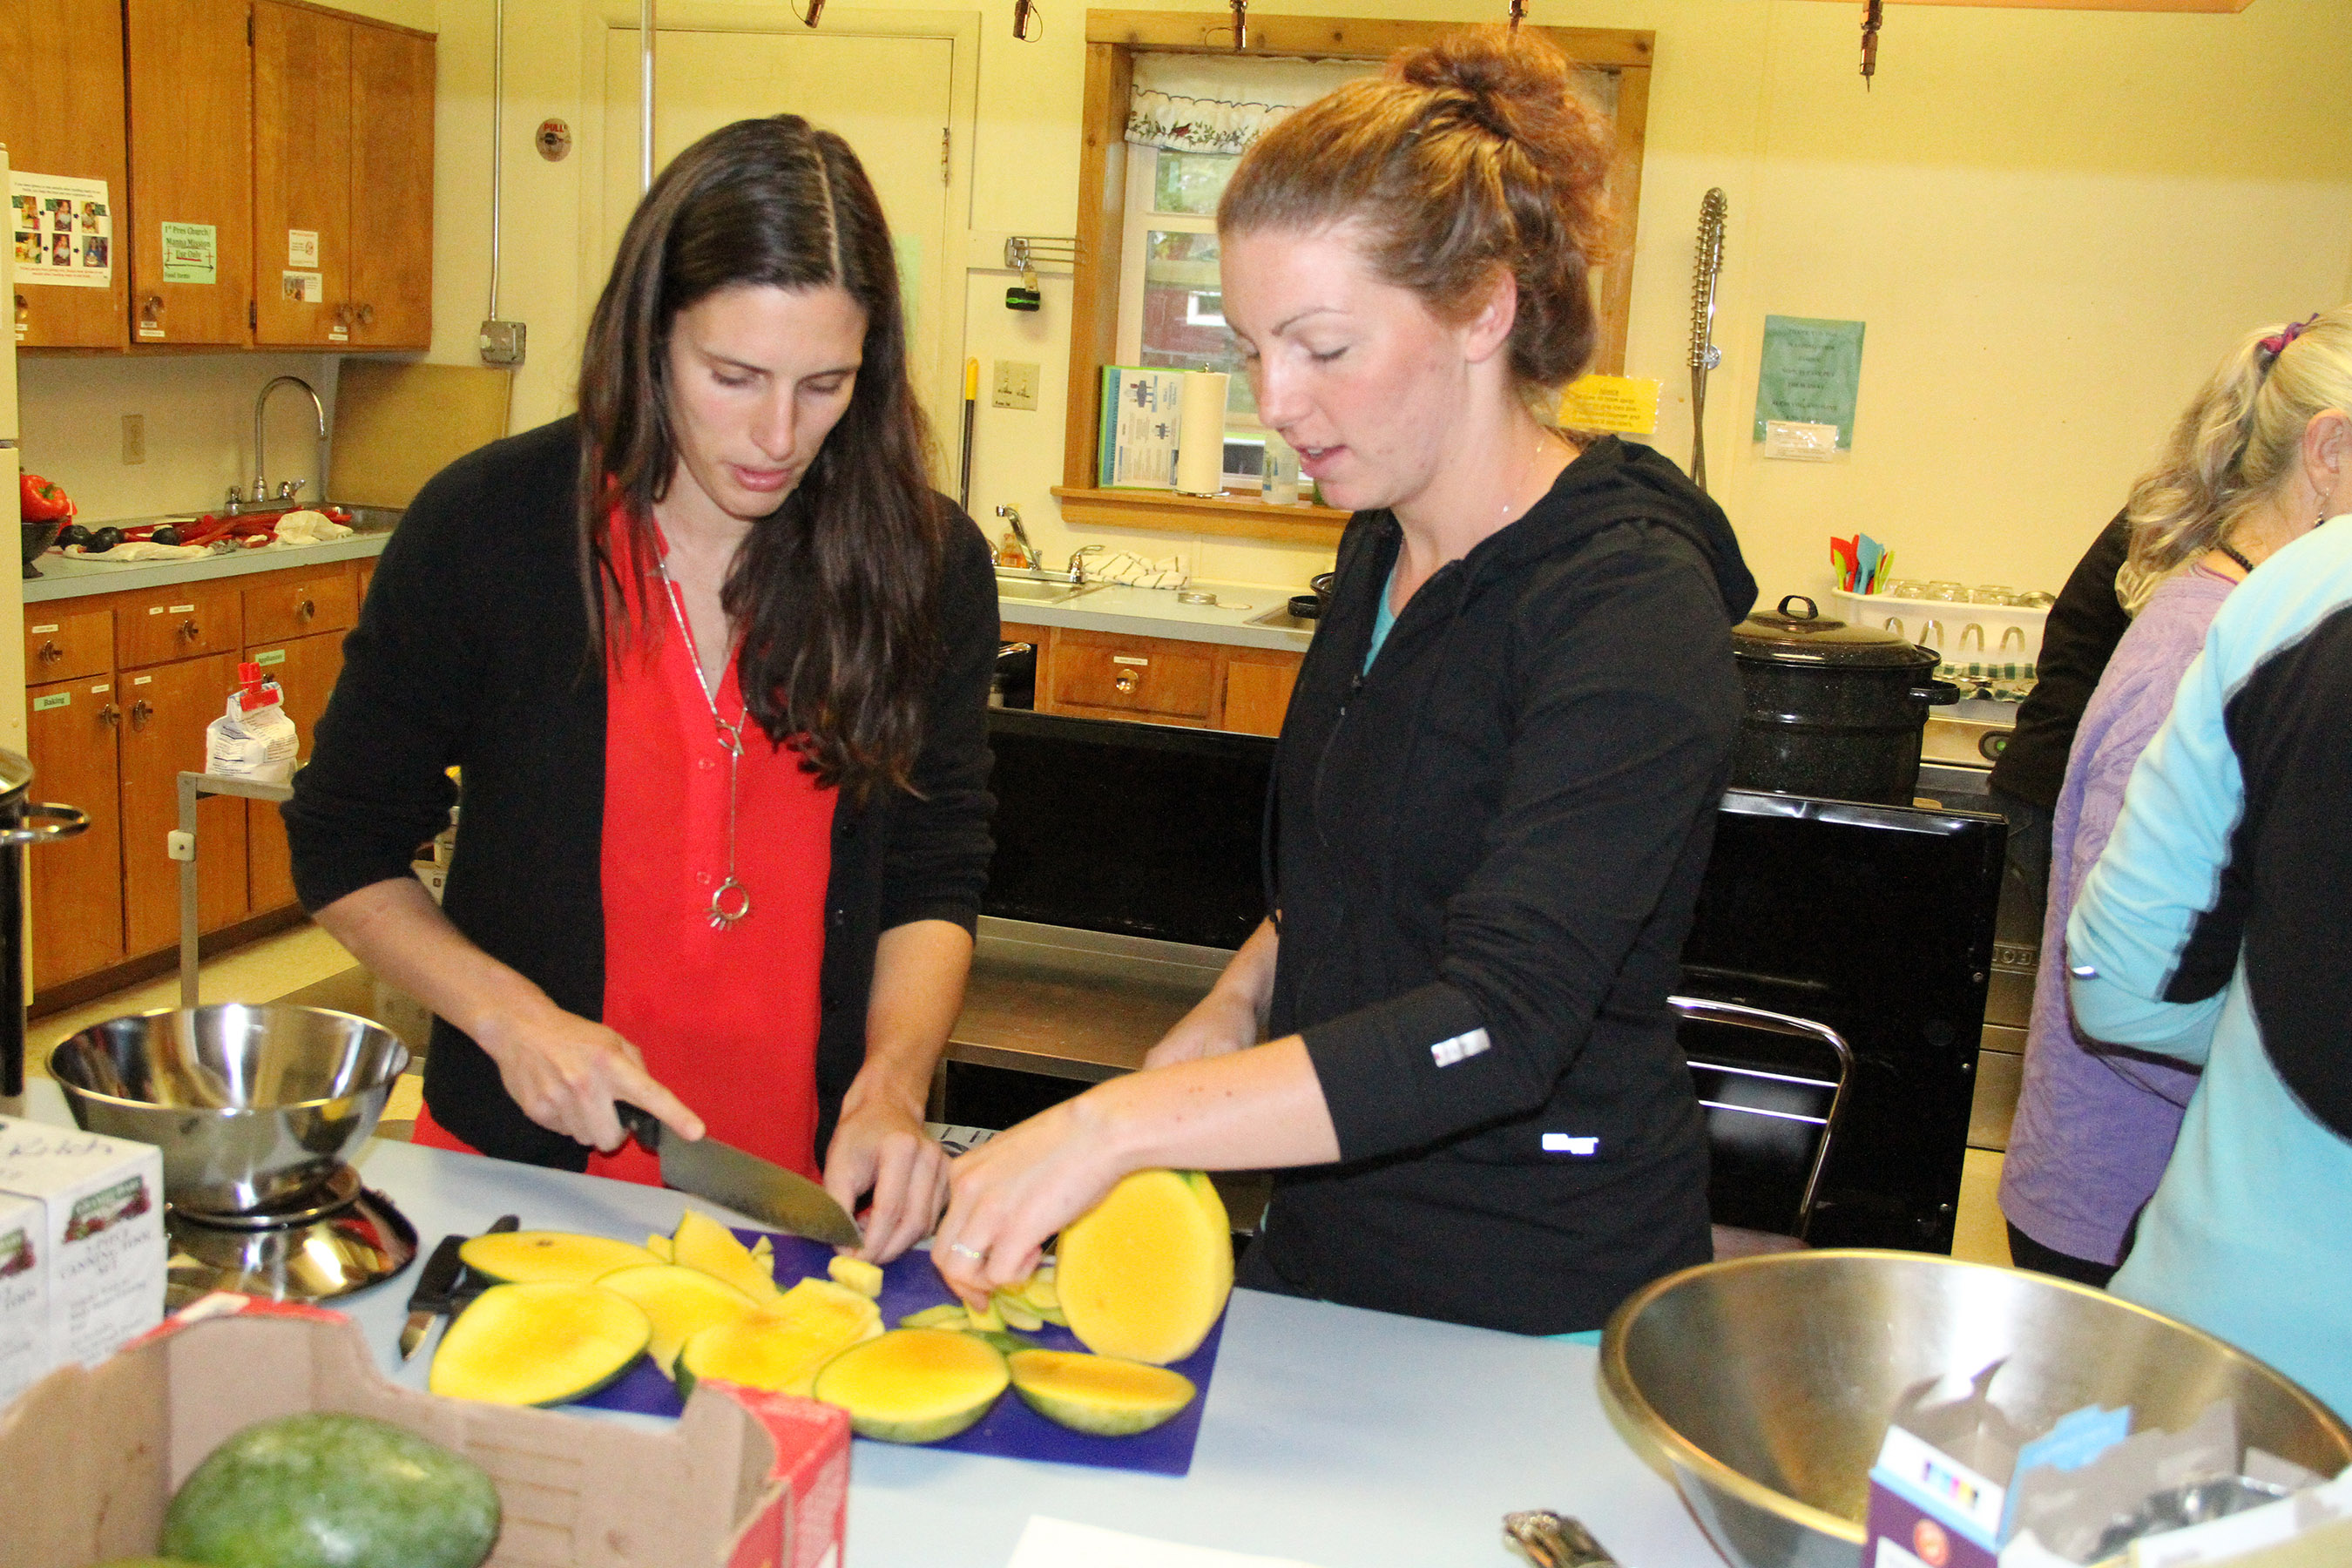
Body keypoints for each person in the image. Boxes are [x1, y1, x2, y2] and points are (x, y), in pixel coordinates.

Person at [930, 28, 1756, 1335]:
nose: (1275, 401)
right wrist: (1238, 997)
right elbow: (1361, 868)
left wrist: (1114, 1123)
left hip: (1528, 1289)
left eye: (1322, 347)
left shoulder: (1629, 608)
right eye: (1251, 349)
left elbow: (1502, 1022)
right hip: (1330, 1236)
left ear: (1483, 309)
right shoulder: (1381, 540)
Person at [284, 118, 998, 1262]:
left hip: (807, 1192)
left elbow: (932, 865)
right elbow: (343, 844)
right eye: (733, 377)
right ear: (650, 335)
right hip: (524, 1184)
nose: (778, 435)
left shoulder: (925, 565)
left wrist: (892, 1086)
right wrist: (511, 1019)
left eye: (825, 384)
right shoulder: (491, 529)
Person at [1999, 311, 2352, 1287]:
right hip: (2119, 1209)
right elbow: (2122, 987)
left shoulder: (2252, 632)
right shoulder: (2204, 653)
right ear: (2329, 451)